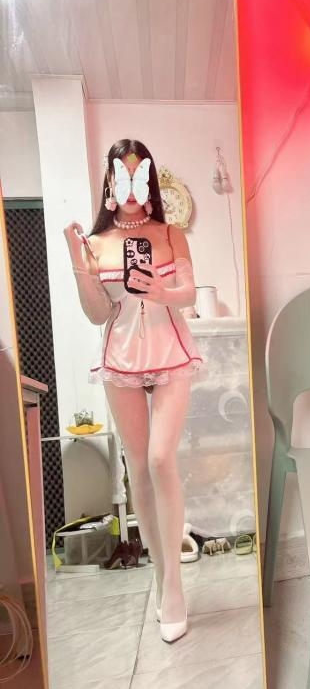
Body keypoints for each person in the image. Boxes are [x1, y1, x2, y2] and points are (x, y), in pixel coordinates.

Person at [63, 138, 204, 643]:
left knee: (162, 458)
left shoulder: (169, 233)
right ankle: (161, 575)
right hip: (120, 359)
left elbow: (187, 294)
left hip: (171, 353)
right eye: (119, 176)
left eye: (137, 174)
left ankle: (175, 588)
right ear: (108, 181)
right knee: (138, 466)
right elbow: (98, 313)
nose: (128, 187)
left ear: (149, 180)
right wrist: (78, 260)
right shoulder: (96, 243)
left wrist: (159, 289)